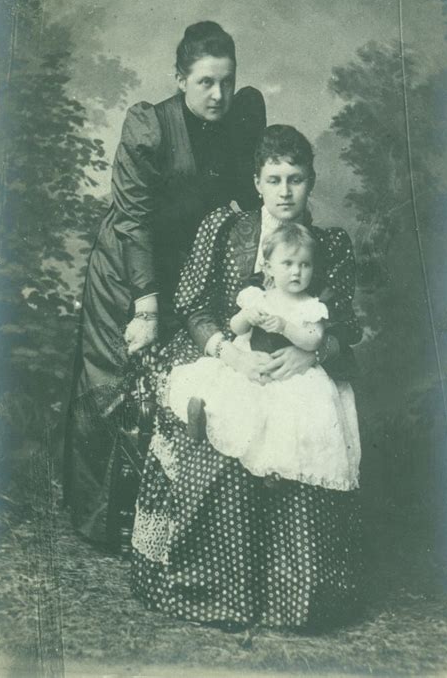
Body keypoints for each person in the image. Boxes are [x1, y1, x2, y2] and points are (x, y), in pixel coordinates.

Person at [131, 124, 363, 630]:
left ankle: (292, 599)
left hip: (302, 367)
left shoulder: (330, 245)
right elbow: (191, 304)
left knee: (304, 440)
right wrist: (226, 352)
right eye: (274, 179)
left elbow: (345, 324)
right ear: (256, 182)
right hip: (231, 355)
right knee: (227, 446)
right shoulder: (224, 228)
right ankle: (222, 593)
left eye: (296, 179)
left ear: (311, 183)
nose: (285, 191)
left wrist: (315, 354)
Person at [63, 21, 266, 550]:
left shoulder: (241, 119)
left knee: (175, 384)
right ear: (180, 79)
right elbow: (133, 222)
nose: (218, 94)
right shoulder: (150, 126)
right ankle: (100, 521)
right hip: (127, 269)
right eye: (204, 82)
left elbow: (248, 200)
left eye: (226, 80)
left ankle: (161, 522)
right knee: (114, 384)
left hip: (188, 271)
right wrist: (146, 307)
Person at [167, 223, 360, 492]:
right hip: (251, 362)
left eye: (304, 265)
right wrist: (247, 316)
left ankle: (275, 468)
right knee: (228, 390)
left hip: (288, 373)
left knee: (284, 414)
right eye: (288, 264)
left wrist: (285, 326)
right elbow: (235, 328)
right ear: (268, 268)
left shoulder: (310, 305)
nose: (296, 272)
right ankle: (202, 415)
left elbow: (313, 339)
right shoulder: (257, 296)